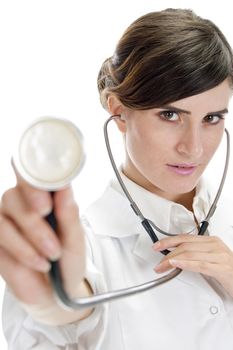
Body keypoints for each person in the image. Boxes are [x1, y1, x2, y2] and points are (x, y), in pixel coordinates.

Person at [1, 7, 233, 350]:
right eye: (170, 115)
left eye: (212, 118)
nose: (194, 148)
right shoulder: (88, 247)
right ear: (118, 111)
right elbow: (61, 313)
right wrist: (57, 303)